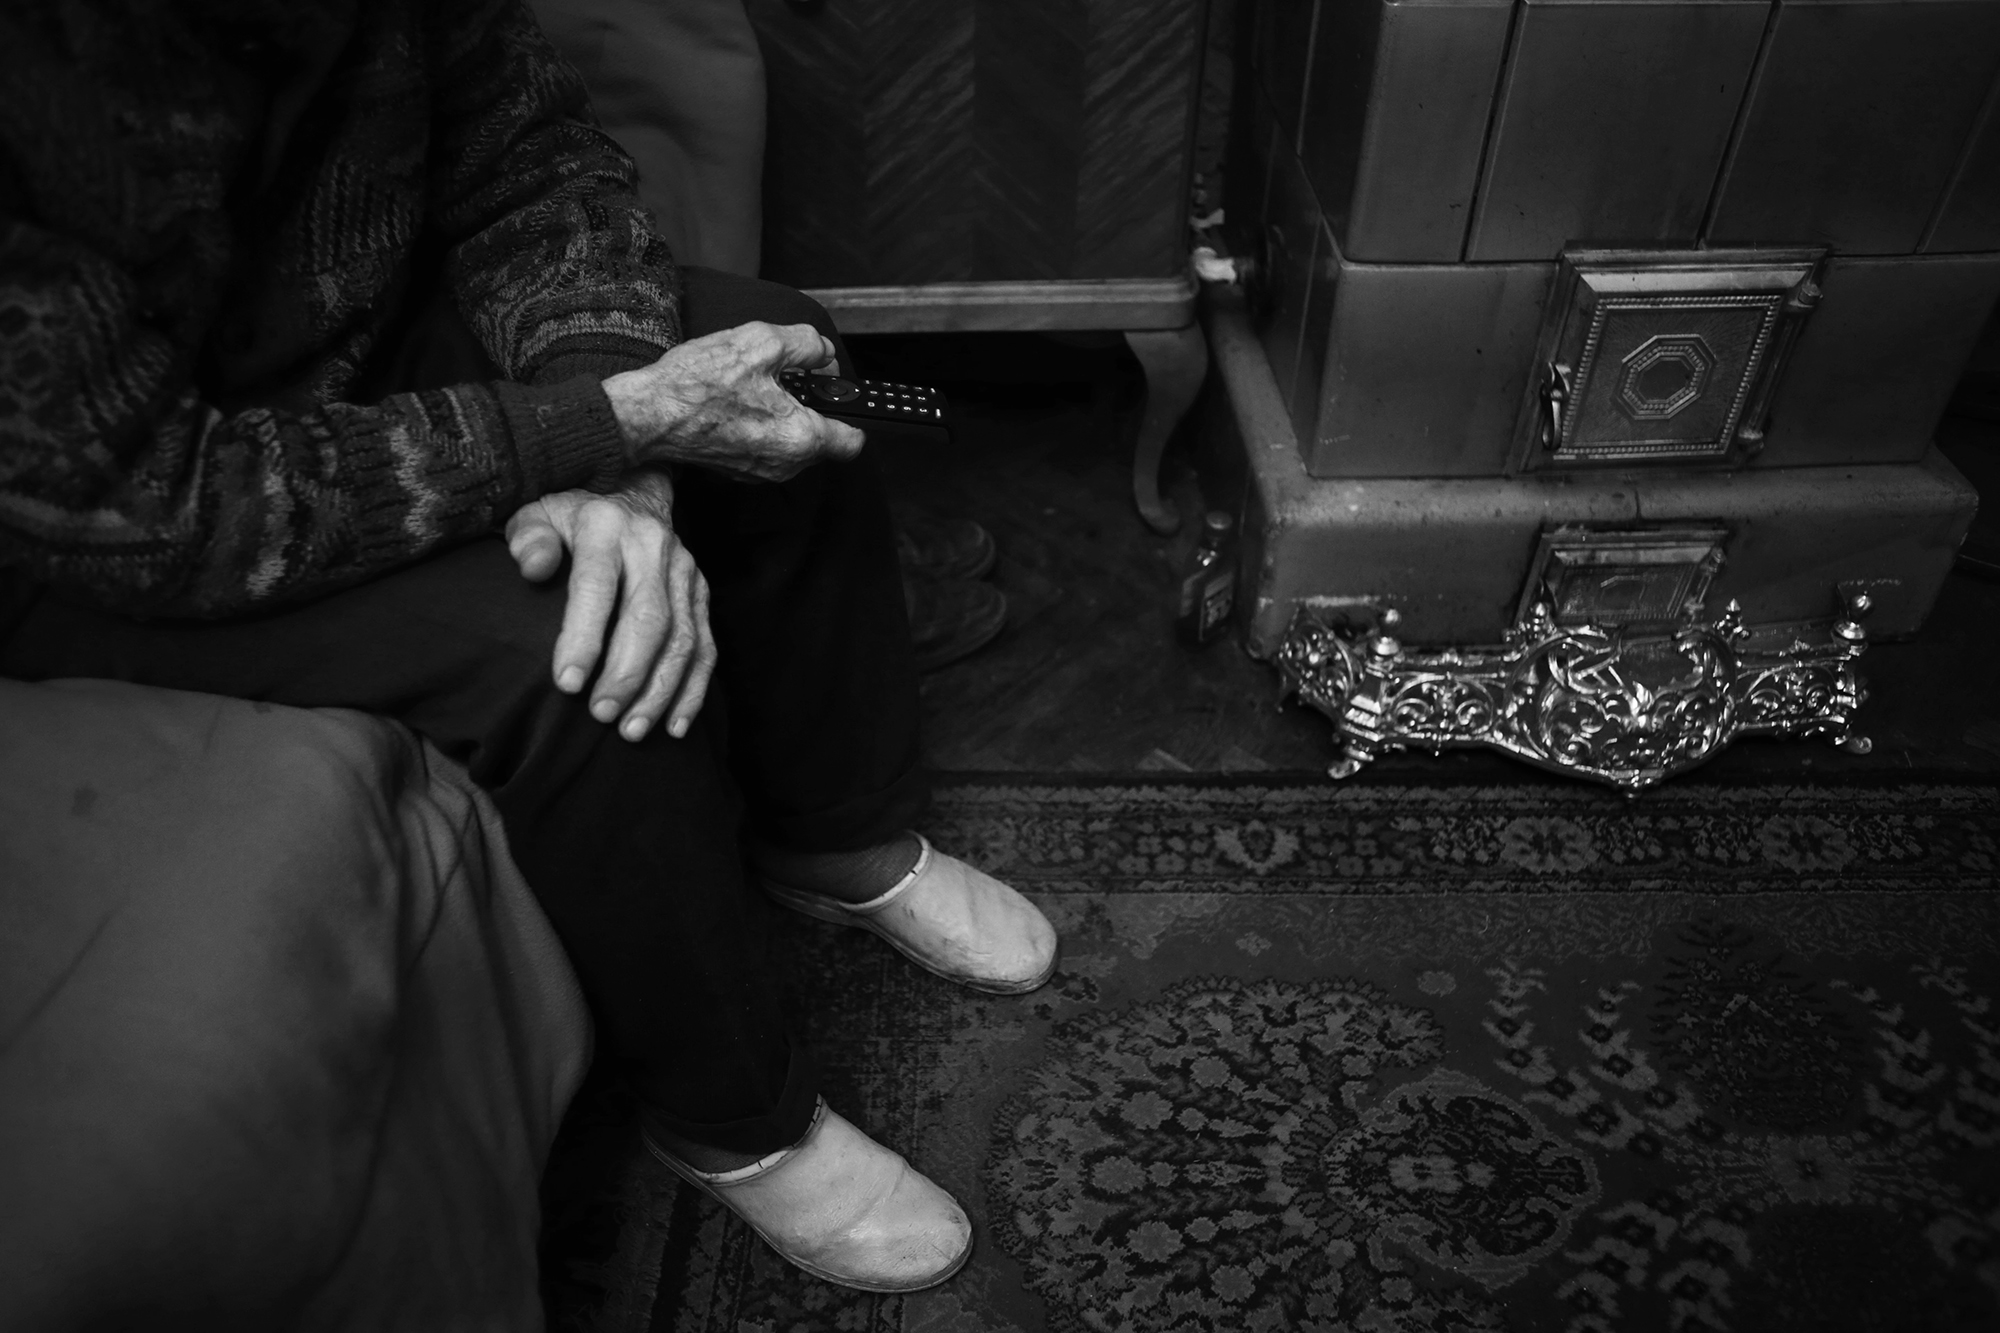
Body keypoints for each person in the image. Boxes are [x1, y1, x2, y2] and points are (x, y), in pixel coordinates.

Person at [0, 0, 1055, 1294]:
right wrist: (603, 428)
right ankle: (735, 1115)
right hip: (111, 523)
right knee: (568, 644)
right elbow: (157, 506)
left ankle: (838, 832)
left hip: (338, 357)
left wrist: (622, 432)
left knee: (779, 362)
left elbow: (536, 161)